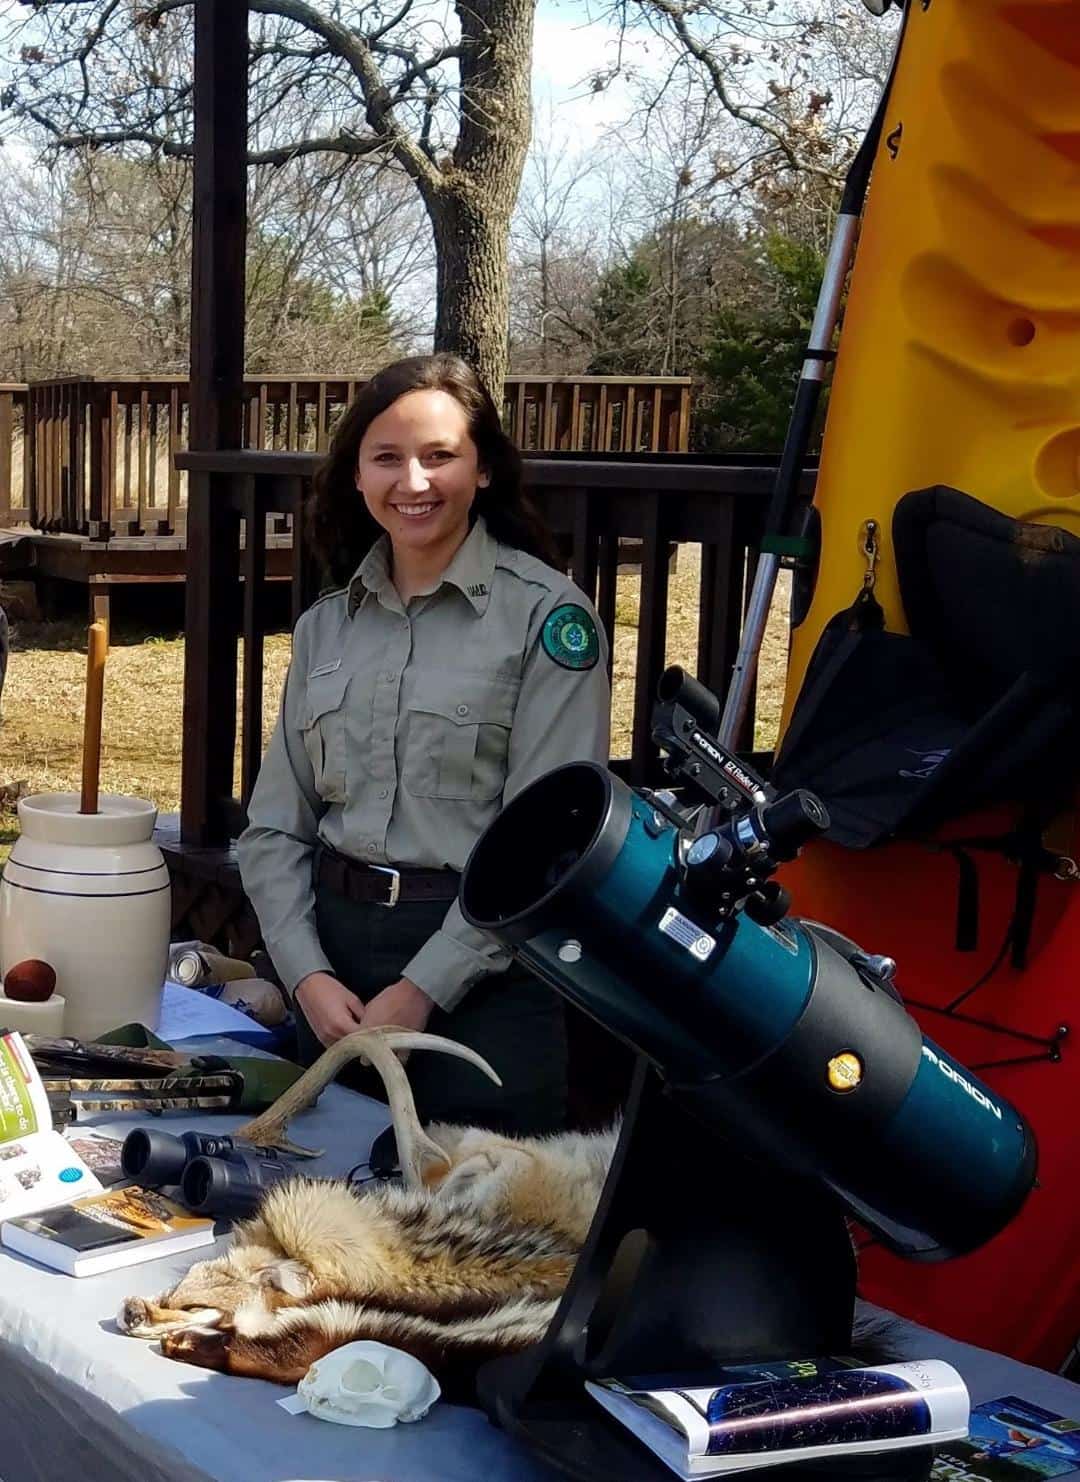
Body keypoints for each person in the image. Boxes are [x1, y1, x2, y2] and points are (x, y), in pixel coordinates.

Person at [237, 353, 611, 1136]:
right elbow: (274, 828)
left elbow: (547, 844)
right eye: (387, 458)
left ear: (484, 471)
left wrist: (424, 988)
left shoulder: (549, 620)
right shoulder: (325, 628)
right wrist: (304, 975)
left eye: (440, 455)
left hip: (487, 981)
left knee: (479, 1244)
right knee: (324, 1231)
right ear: (356, 477)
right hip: (332, 977)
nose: (413, 481)